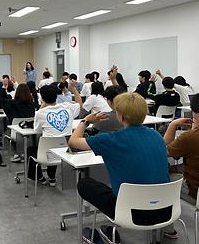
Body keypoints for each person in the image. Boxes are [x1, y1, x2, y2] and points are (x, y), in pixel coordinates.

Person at [68, 92, 170, 244]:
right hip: (166, 210)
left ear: (120, 116)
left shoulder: (111, 140)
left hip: (130, 212)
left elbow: (73, 141)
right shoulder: (157, 136)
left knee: (85, 184)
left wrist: (86, 121)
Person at [30, 81, 82, 186]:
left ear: (42, 98)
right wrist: (73, 88)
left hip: (47, 153)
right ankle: (52, 177)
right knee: (56, 142)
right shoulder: (68, 107)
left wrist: (42, 106)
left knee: (31, 149)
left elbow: (36, 130)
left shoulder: (40, 113)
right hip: (65, 151)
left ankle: (39, 177)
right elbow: (80, 104)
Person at [0, 83, 36, 163]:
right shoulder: (32, 105)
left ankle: (17, 153)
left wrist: (3, 89)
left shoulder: (11, 103)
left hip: (14, 132)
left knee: (6, 134)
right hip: (29, 133)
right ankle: (25, 153)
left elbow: (2, 100)